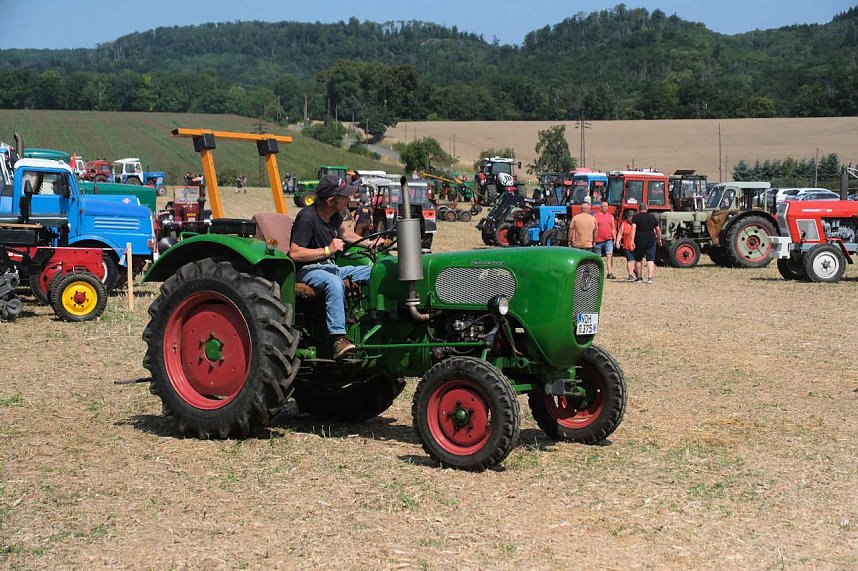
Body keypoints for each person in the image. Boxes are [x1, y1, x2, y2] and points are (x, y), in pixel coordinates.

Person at [289, 175, 378, 359]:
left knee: (373, 271)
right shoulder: (307, 218)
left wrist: (370, 242)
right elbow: (295, 253)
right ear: (331, 200)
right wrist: (328, 250)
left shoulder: (334, 216)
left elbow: (345, 233)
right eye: (345, 196)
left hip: (330, 267)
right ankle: (338, 339)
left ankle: (374, 319)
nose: (349, 200)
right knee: (334, 282)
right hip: (309, 270)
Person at [629, 203, 662, 284]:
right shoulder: (652, 217)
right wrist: (659, 239)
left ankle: (639, 278)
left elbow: (633, 230)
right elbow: (658, 230)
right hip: (651, 240)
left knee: (638, 260)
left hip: (639, 240)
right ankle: (650, 278)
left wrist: (632, 241)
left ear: (639, 209)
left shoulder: (636, 217)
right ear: (646, 208)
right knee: (650, 260)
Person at [592, 201, 617, 278]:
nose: (606, 208)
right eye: (604, 206)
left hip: (608, 239)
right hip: (598, 240)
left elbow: (613, 228)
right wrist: (593, 239)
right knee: (597, 257)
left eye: (607, 206)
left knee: (609, 256)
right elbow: (593, 228)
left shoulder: (611, 216)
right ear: (601, 207)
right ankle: (597, 273)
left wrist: (615, 238)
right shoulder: (595, 216)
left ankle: (609, 273)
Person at [615, 209, 636, 280]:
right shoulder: (624, 224)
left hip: (636, 245)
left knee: (635, 260)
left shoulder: (636, 224)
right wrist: (617, 242)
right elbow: (620, 233)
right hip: (627, 245)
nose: (630, 218)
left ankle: (635, 273)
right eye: (629, 216)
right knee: (630, 260)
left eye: (632, 216)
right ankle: (631, 274)